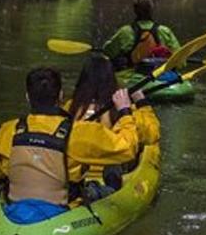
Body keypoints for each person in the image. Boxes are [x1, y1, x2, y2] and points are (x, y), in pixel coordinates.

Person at [0, 67, 139, 223]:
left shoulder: (8, 129)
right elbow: (128, 149)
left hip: (15, 205)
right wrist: (125, 111)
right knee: (107, 183)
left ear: (28, 97)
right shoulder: (80, 131)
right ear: (61, 95)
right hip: (63, 210)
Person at [65, 54, 161, 200]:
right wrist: (141, 102)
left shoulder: (70, 107)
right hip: (111, 176)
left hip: (76, 177)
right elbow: (151, 136)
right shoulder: (121, 109)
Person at [102, 0, 182, 70]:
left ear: (135, 11)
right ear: (151, 10)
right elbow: (181, 62)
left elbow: (108, 52)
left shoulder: (125, 31)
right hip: (159, 75)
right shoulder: (165, 31)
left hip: (131, 74)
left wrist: (108, 43)